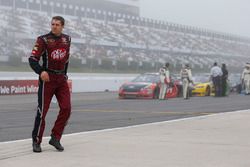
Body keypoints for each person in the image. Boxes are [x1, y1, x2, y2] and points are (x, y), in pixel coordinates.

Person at [29, 16, 71, 152]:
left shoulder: (67, 39)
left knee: (66, 108)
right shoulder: (43, 40)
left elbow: (66, 59)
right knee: (42, 111)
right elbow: (32, 59)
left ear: (62, 26)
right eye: (52, 24)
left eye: (57, 24)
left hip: (61, 79)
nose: (54, 26)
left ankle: (55, 137)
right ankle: (36, 141)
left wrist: (65, 74)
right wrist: (41, 72)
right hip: (47, 78)